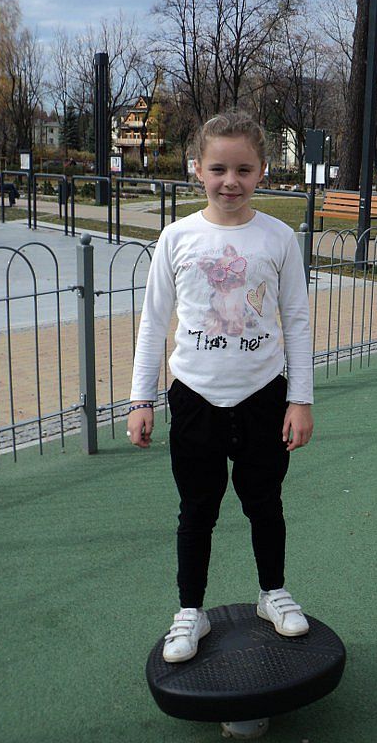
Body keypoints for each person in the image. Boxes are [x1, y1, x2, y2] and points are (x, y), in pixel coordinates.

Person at [128, 110, 314, 663]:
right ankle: (191, 610)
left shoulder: (279, 238)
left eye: (243, 169)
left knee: (265, 504)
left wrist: (300, 399)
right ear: (197, 169)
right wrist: (141, 398)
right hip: (195, 399)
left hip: (263, 397)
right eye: (218, 169)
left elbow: (296, 320)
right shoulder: (177, 237)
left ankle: (273, 593)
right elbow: (153, 321)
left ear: (262, 171)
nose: (230, 181)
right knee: (197, 510)